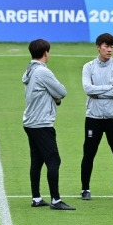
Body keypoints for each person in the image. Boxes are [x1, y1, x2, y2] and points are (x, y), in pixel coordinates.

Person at [22, 39, 76, 210]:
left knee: (37, 160)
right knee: (54, 160)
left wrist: (55, 99)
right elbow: (61, 92)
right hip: (41, 123)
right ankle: (56, 200)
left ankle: (37, 198)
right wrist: (56, 98)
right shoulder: (42, 72)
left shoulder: (30, 70)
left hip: (31, 121)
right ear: (45, 53)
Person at [80, 33, 113, 202]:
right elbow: (87, 89)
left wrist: (98, 92)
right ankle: (85, 189)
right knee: (89, 153)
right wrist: (109, 89)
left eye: (112, 46)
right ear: (98, 47)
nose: (110, 50)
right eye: (106, 46)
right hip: (93, 117)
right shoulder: (88, 67)